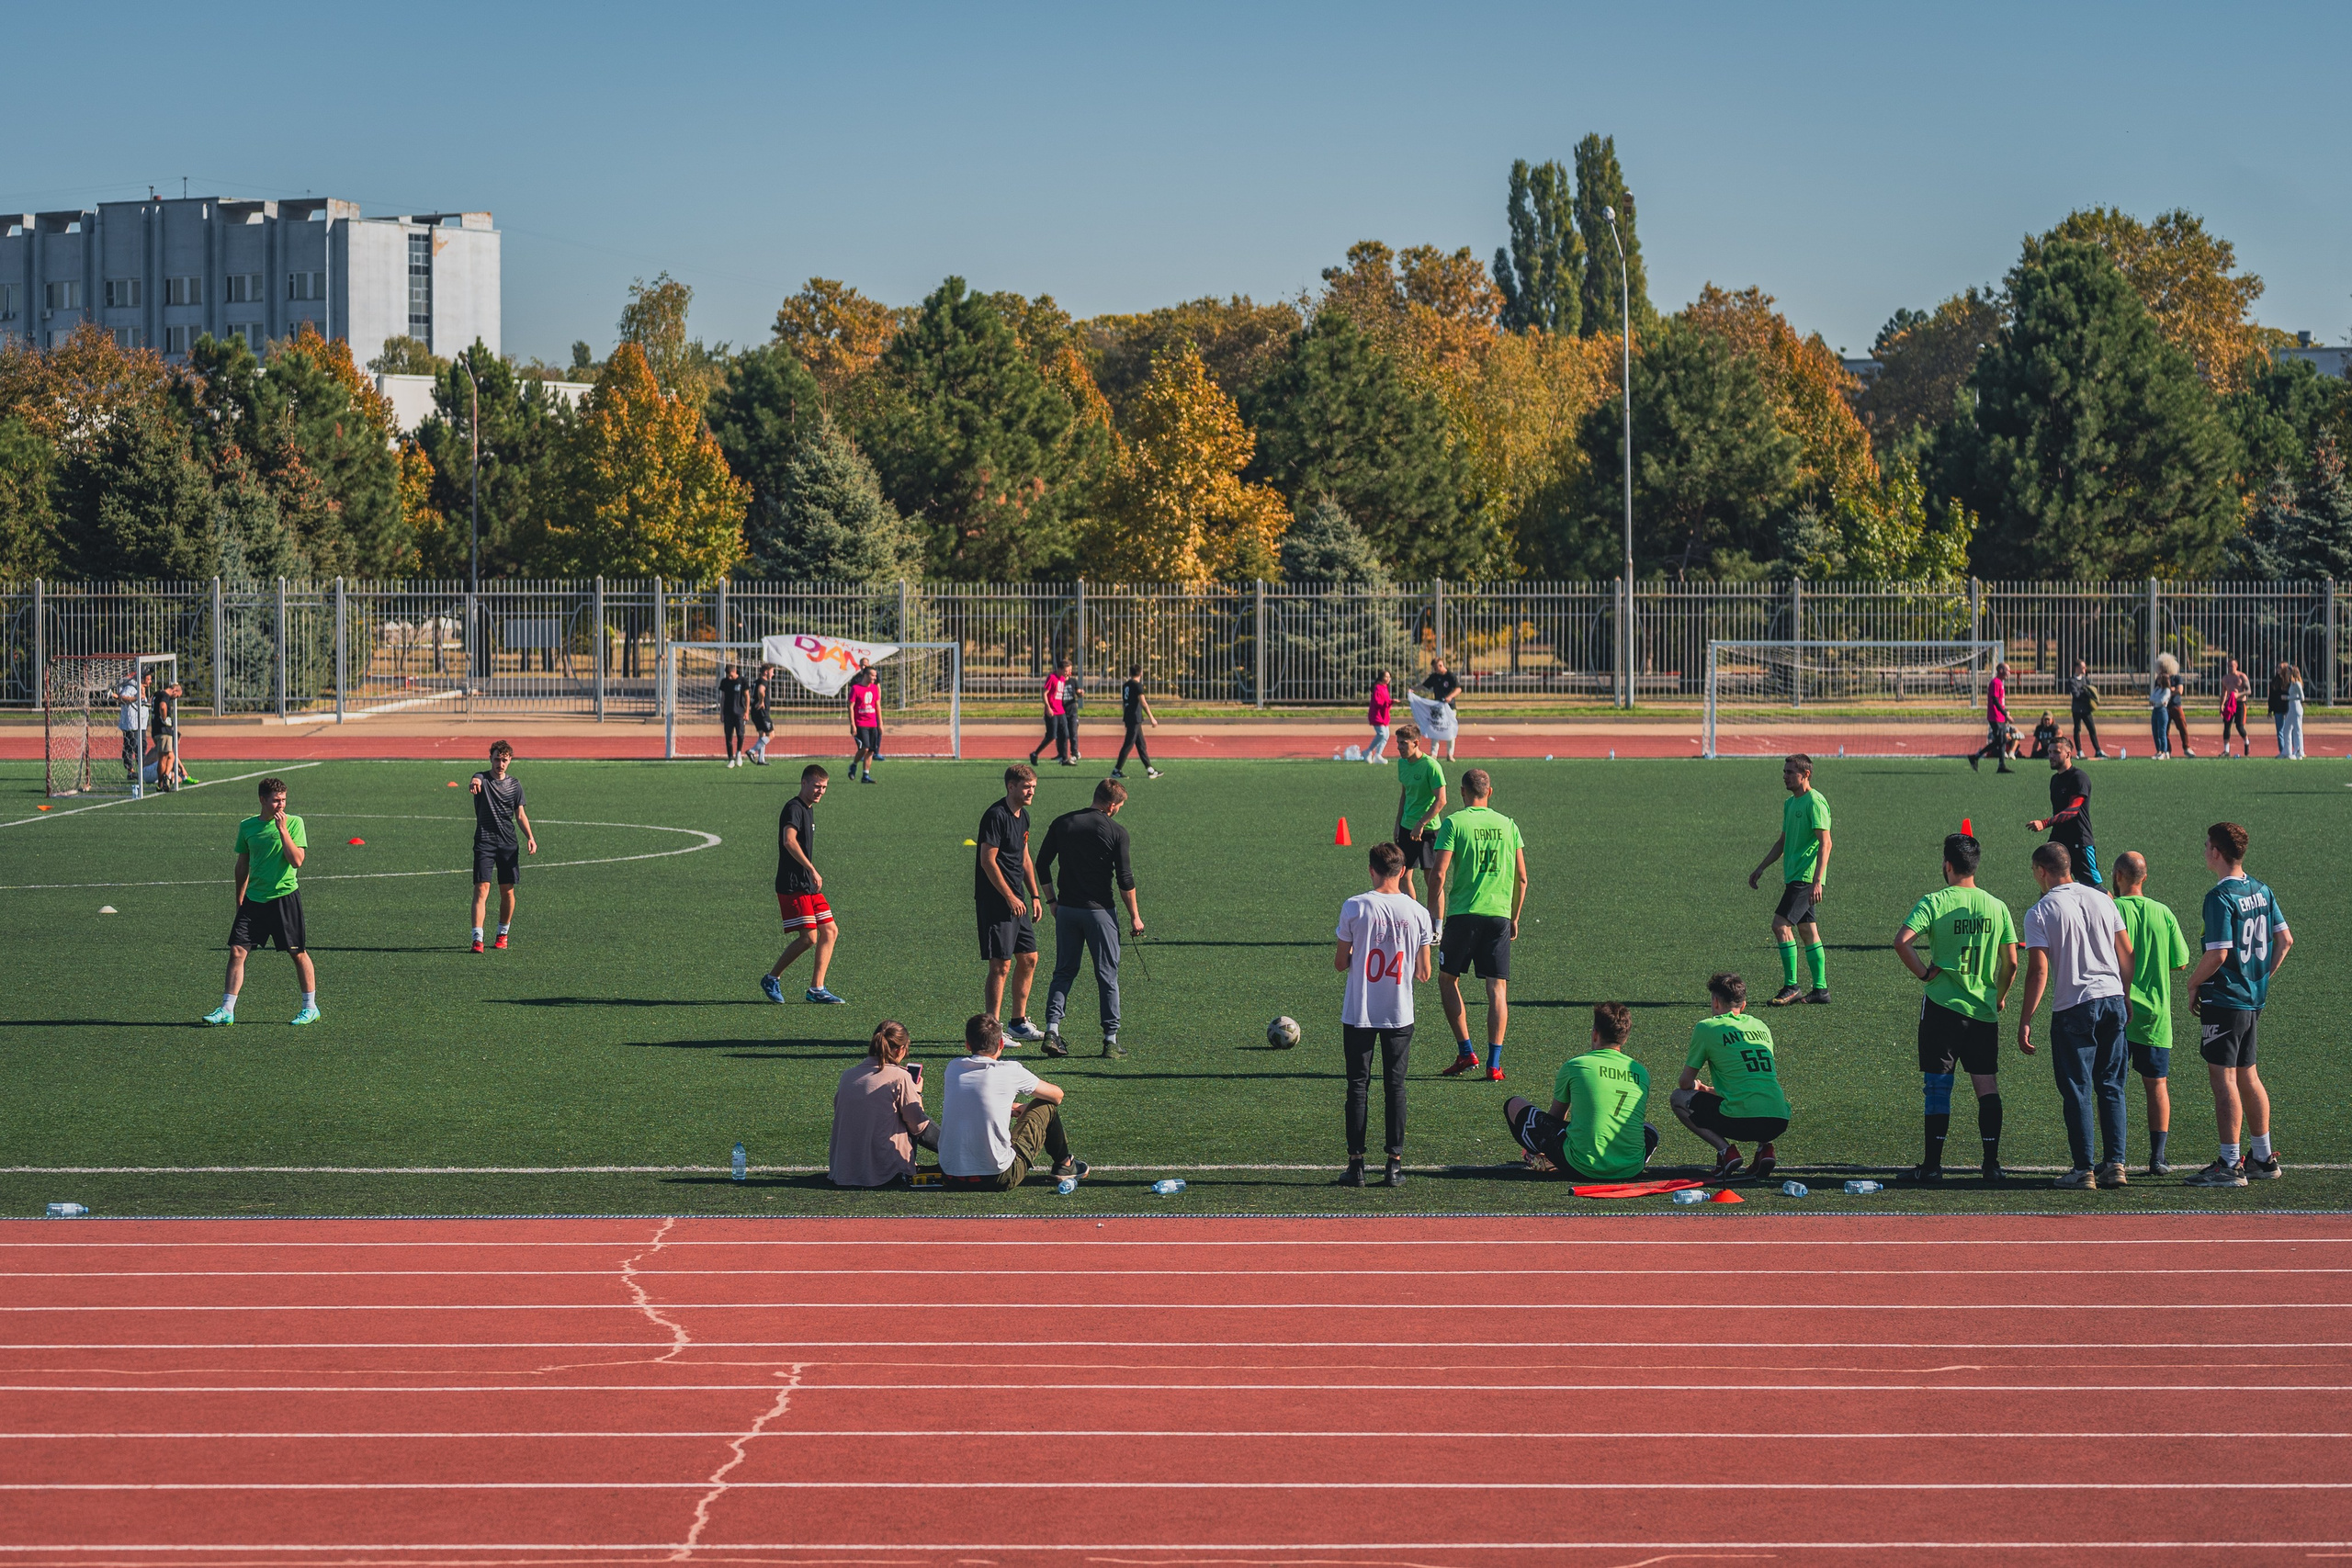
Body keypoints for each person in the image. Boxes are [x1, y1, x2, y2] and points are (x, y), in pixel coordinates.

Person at [1894, 832, 2019, 1182]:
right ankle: (1991, 1165)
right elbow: (2011, 961)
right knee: (1987, 1086)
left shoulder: (1935, 902)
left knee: (1938, 1086)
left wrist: (1924, 973)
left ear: (1947, 865)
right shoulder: (1997, 906)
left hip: (1941, 1007)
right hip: (1982, 1009)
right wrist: (2001, 994)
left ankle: (1932, 1167)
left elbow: (1902, 942)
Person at [2018, 842, 2133, 1190]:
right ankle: (2115, 1165)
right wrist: (2125, 996)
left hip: (2074, 1005)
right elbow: (2126, 952)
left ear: (2041, 871)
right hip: (2112, 997)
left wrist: (2026, 1018)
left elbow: (2038, 971)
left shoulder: (2039, 911)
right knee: (2112, 1085)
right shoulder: (2103, 898)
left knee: (2077, 1089)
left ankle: (2083, 1169)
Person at [2185, 821, 2293, 1187]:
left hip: (2226, 998)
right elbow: (2285, 940)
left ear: (2216, 852)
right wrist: (2261, 978)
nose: (2204, 850)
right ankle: (2262, 1157)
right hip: (2252, 998)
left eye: (2206, 845)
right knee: (2248, 1073)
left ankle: (2230, 1164)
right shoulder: (2262, 890)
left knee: (2224, 1078)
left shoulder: (2219, 897)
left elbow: (2218, 952)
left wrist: (2193, 982)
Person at [1333, 840, 1435, 1188]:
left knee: (1357, 1087)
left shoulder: (1355, 906)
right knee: (1396, 1087)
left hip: (1359, 1010)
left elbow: (1339, 962)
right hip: (1399, 1011)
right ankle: (1394, 1164)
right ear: (1404, 871)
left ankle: (1356, 1165)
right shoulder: (1417, 912)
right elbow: (1424, 973)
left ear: (1371, 870)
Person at [1430, 768, 1527, 1082]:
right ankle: (1494, 1064)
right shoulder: (1508, 825)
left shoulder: (1454, 823)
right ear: (1490, 792)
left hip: (1463, 915)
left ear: (1462, 792)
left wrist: (1436, 919)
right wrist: (1513, 917)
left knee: (1448, 980)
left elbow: (1440, 874)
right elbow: (1522, 878)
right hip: (1498, 915)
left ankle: (1466, 1051)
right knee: (1497, 989)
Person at [1035, 776, 1143, 1059]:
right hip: (1100, 913)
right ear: (1110, 805)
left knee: (1063, 972)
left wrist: (1052, 901)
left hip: (1067, 911)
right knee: (1107, 975)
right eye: (1119, 805)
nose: (1119, 810)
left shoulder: (1063, 822)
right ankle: (1110, 1039)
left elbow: (1041, 863)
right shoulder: (1116, 831)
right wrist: (1135, 917)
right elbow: (1125, 879)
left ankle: (1052, 1030)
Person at [205, 776, 319, 1026]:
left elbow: (297, 860)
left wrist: (282, 830)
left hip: (284, 897)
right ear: (262, 800)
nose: (281, 806)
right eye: (276, 801)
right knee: (237, 950)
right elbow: (242, 865)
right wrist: (239, 899)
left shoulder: (295, 823)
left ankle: (310, 1007)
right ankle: (227, 1009)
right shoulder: (247, 827)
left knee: (297, 952)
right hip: (254, 901)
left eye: (284, 800)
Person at [1503, 1002, 1657, 1180]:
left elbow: (1555, 1118)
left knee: (1513, 1104)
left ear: (1595, 1034)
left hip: (1581, 1165)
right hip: (1631, 1168)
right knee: (1650, 1129)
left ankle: (1536, 1156)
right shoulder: (1641, 1072)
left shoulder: (1576, 1065)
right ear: (1625, 1038)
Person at [2109, 851, 2193, 1177]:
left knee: (2111, 1085)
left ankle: (2114, 1158)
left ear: (2118, 876)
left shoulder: (2111, 910)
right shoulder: (2163, 912)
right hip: (2155, 1016)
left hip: (2117, 1011)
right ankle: (2158, 1158)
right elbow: (2181, 960)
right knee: (2156, 1084)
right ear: (2144, 878)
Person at [938, 1012, 1086, 1190]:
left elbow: (973, 1101)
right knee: (1045, 1105)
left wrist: (1005, 1107)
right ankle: (1065, 1163)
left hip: (951, 1175)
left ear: (968, 1044)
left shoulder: (953, 1068)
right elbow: (1057, 1095)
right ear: (1001, 1044)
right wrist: (1028, 1107)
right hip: (998, 1176)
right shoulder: (1011, 1070)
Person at [1673, 972, 1791, 1183]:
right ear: (1744, 1005)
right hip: (1779, 1119)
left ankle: (1726, 1152)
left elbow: (1684, 1083)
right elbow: (1747, 1081)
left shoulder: (1707, 1027)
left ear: (1715, 1002)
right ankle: (1765, 1149)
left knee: (1678, 1098)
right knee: (1755, 1098)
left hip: (1741, 1120)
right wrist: (1707, 1090)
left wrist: (1696, 1087)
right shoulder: (1761, 1026)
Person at [1747, 754, 1832, 1006]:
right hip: (1794, 876)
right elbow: (1783, 841)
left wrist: (1818, 880)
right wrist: (1761, 867)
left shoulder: (1815, 802)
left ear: (1805, 775)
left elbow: (1825, 842)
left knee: (1780, 925)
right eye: (1784, 771)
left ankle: (1792, 985)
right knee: (1807, 931)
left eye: (1790, 772)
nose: (1784, 776)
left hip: (1805, 878)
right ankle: (1821, 990)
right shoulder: (1790, 803)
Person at [976, 764, 1047, 1043]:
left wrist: (1035, 895)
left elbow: (1025, 858)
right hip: (996, 900)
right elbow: (987, 860)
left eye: (1033, 787)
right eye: (1027, 787)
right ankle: (993, 1030)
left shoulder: (1023, 816)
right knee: (1000, 965)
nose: (1031, 792)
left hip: (1017, 900)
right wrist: (1009, 895)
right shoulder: (996, 816)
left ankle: (1018, 1021)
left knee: (1029, 958)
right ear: (1011, 787)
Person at [763, 764, 845, 1005]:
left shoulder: (808, 809)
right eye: (817, 786)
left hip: (808, 884)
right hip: (793, 884)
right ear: (804, 783)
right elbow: (789, 841)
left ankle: (816, 989)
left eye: (825, 787)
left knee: (830, 931)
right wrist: (811, 868)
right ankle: (772, 977)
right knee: (809, 938)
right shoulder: (794, 808)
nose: (821, 791)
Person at [830, 1021, 938, 1187]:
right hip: (886, 1173)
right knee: (915, 1118)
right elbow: (918, 1126)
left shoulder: (848, 1076)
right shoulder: (900, 1077)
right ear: (900, 1049)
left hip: (843, 1171)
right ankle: (961, 1154)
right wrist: (917, 1093)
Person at [467, 739, 537, 953]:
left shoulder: (515, 785)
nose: (500, 763)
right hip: (485, 841)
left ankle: (502, 934)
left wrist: (530, 837)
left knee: (507, 891)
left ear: (510, 761)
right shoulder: (482, 779)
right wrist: (474, 781)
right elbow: (476, 777)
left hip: (508, 843)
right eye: (497, 759)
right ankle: (477, 938)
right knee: (481, 889)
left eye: (504, 760)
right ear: (490, 758)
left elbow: (521, 815)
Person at [2026, 736, 2102, 890]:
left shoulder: (2079, 778)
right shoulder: (2055, 780)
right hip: (2059, 841)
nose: (2051, 756)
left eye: (2056, 752)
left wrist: (2044, 823)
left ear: (2068, 754)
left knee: (2095, 888)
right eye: (2049, 752)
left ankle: (2116, 912)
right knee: (2049, 884)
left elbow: (2073, 810)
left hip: (2079, 842)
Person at [1391, 724, 1446, 906]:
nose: (1399, 747)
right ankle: (1416, 917)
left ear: (1416, 743)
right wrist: (1398, 823)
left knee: (1432, 879)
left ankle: (1435, 925)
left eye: (1403, 743)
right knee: (1403, 875)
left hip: (1428, 830)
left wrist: (1421, 824)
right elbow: (1404, 794)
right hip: (1407, 827)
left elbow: (1441, 800)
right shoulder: (1401, 764)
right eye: (1398, 743)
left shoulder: (1431, 766)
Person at [1112, 666, 1161, 780]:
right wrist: (1152, 718)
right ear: (1141, 673)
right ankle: (1116, 770)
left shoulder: (1126, 685)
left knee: (1141, 745)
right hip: (1135, 718)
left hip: (1131, 717)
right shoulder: (1137, 685)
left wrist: (1126, 716)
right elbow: (1143, 702)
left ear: (1130, 673)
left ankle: (1150, 769)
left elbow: (1124, 703)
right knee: (1129, 744)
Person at [1969, 661, 2014, 773]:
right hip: (1995, 717)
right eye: (2008, 670)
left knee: (2001, 740)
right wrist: (2005, 714)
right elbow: (1995, 700)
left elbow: (2000, 701)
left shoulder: (2000, 683)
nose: (2010, 673)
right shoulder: (1995, 683)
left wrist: (2005, 713)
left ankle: (1999, 765)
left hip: (2000, 717)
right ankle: (1976, 757)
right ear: (2001, 671)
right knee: (2001, 740)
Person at [1029, 657, 1073, 767]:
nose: (1068, 673)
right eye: (1066, 671)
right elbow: (1044, 693)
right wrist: (1048, 707)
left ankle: (1064, 758)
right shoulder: (1052, 678)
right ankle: (1035, 753)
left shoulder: (1063, 678)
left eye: (1069, 671)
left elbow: (1068, 681)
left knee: (1065, 734)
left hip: (1060, 711)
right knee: (1051, 735)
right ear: (1060, 669)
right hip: (1052, 712)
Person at [848, 662, 882, 784]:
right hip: (860, 724)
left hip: (873, 724)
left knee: (871, 750)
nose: (874, 678)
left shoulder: (874, 688)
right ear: (865, 675)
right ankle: (854, 765)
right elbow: (851, 707)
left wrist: (880, 724)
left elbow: (877, 706)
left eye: (875, 676)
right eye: (872, 676)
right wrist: (852, 724)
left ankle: (865, 776)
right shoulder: (855, 689)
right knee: (864, 748)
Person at [1422, 660, 1463, 760]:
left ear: (1441, 665)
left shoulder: (1450, 676)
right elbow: (1424, 686)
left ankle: (1450, 754)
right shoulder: (1434, 677)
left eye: (1436, 668)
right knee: (1436, 729)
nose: (1435, 670)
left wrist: (1450, 697)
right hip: (1438, 708)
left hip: (1450, 708)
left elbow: (1458, 689)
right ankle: (1433, 753)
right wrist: (1413, 689)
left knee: (1450, 729)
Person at [151, 678, 185, 791]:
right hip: (164, 730)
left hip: (155, 730)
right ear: (174, 690)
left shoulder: (157, 694)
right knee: (163, 757)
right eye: (177, 696)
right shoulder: (165, 695)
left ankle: (165, 775)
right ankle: (162, 781)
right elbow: (162, 706)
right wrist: (165, 719)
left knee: (170, 756)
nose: (175, 698)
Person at [2069, 658, 2104, 758]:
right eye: (2082, 667)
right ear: (2077, 668)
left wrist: (2087, 694)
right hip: (2077, 709)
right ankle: (2079, 751)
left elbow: (2091, 692)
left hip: (2086, 709)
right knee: (2077, 729)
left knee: (2092, 729)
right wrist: (2085, 693)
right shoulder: (2072, 681)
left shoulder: (2086, 679)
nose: (2084, 669)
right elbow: (2076, 695)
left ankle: (2098, 750)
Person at [116, 671, 146, 786]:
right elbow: (121, 698)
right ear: (142, 678)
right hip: (131, 723)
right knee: (130, 745)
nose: (150, 681)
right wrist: (135, 698)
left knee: (141, 746)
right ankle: (130, 771)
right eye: (148, 679)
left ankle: (142, 770)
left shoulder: (141, 688)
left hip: (140, 724)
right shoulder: (130, 687)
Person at [718, 660, 750, 768]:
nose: (729, 678)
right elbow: (723, 698)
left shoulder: (742, 681)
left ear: (735, 671)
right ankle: (730, 759)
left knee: (740, 735)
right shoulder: (724, 682)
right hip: (728, 713)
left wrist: (747, 712)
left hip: (740, 713)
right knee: (728, 737)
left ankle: (739, 753)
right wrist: (721, 713)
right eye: (728, 676)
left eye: (731, 676)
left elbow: (747, 696)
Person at [2218, 659, 2250, 757]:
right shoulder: (2225, 678)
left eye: (2232, 666)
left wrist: (2238, 695)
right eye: (2229, 666)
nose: (2230, 668)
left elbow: (2249, 691)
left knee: (2239, 726)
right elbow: (2224, 693)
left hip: (2240, 702)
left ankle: (2246, 742)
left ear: (2236, 666)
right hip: (2230, 703)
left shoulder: (2242, 676)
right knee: (2227, 726)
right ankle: (2226, 750)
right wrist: (2221, 705)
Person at [2148, 656, 2176, 759]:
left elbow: (2161, 701)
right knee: (2155, 732)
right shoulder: (2157, 689)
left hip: (2162, 711)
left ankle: (2164, 752)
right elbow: (2152, 698)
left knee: (2162, 732)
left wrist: (2155, 701)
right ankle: (2158, 750)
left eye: (2159, 678)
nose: (2158, 680)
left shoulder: (2167, 690)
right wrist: (2154, 701)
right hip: (2155, 711)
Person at [746, 663, 774, 766]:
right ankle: (752, 751)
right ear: (766, 672)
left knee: (762, 734)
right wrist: (762, 701)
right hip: (762, 712)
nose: (773, 674)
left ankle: (761, 759)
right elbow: (761, 691)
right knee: (771, 734)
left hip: (755, 711)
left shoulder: (756, 681)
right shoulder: (763, 681)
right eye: (772, 672)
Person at [2166, 660, 2195, 756]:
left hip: (2176, 705)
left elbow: (2180, 691)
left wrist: (2169, 692)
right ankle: (2167, 750)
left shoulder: (2177, 678)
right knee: (2164, 730)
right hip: (2164, 707)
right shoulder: (2160, 679)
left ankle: (2187, 747)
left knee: (2182, 727)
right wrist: (2170, 691)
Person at [1365, 670, 1393, 764]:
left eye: (1389, 677)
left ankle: (1378, 755)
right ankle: (1368, 751)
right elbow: (1378, 702)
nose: (1388, 679)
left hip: (1384, 715)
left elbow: (1386, 702)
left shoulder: (1385, 688)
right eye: (1386, 677)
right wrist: (1390, 702)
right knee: (1381, 734)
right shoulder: (1378, 688)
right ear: (1381, 678)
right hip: (1377, 715)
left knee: (1386, 735)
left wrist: (1390, 702)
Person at [2267, 660, 2292, 757]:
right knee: (2280, 731)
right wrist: (2270, 709)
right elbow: (2272, 696)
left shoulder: (2289, 681)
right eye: (2278, 668)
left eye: (2280, 668)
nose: (2278, 669)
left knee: (2289, 730)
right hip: (2278, 708)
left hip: (2287, 708)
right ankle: (2283, 751)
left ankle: (2291, 749)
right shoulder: (2274, 681)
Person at [2283, 664, 2306, 760]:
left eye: (2289, 672)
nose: (2287, 674)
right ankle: (2288, 752)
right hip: (2291, 709)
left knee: (2297, 730)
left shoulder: (2297, 684)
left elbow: (2302, 698)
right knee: (2286, 729)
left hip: (2297, 709)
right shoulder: (2292, 684)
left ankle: (2299, 752)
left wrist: (2288, 698)